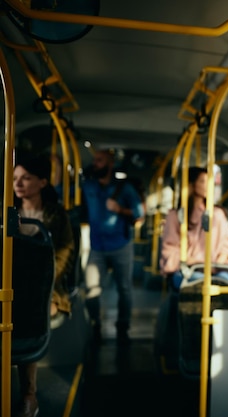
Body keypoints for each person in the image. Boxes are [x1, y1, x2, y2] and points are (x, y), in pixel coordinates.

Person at [13, 154, 76, 417]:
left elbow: (64, 254)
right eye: (15, 178)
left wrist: (45, 277)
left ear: (42, 182)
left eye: (26, 178)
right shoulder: (8, 211)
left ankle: (29, 392)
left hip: (48, 287)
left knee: (31, 315)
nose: (19, 183)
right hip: (12, 285)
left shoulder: (55, 216)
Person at [81, 149, 144, 346]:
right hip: (97, 246)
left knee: (124, 289)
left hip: (120, 245)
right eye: (95, 161)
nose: (95, 164)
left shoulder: (124, 189)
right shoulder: (88, 185)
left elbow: (139, 214)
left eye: (99, 160)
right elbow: (63, 192)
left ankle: (123, 327)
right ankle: (95, 326)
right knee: (91, 289)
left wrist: (120, 210)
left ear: (110, 164)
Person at [160, 166, 228, 289]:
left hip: (216, 269)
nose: (208, 186)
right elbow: (170, 248)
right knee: (199, 281)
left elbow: (227, 243)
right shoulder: (175, 216)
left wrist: (220, 260)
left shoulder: (217, 214)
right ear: (191, 185)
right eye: (203, 181)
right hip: (188, 269)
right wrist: (191, 260)